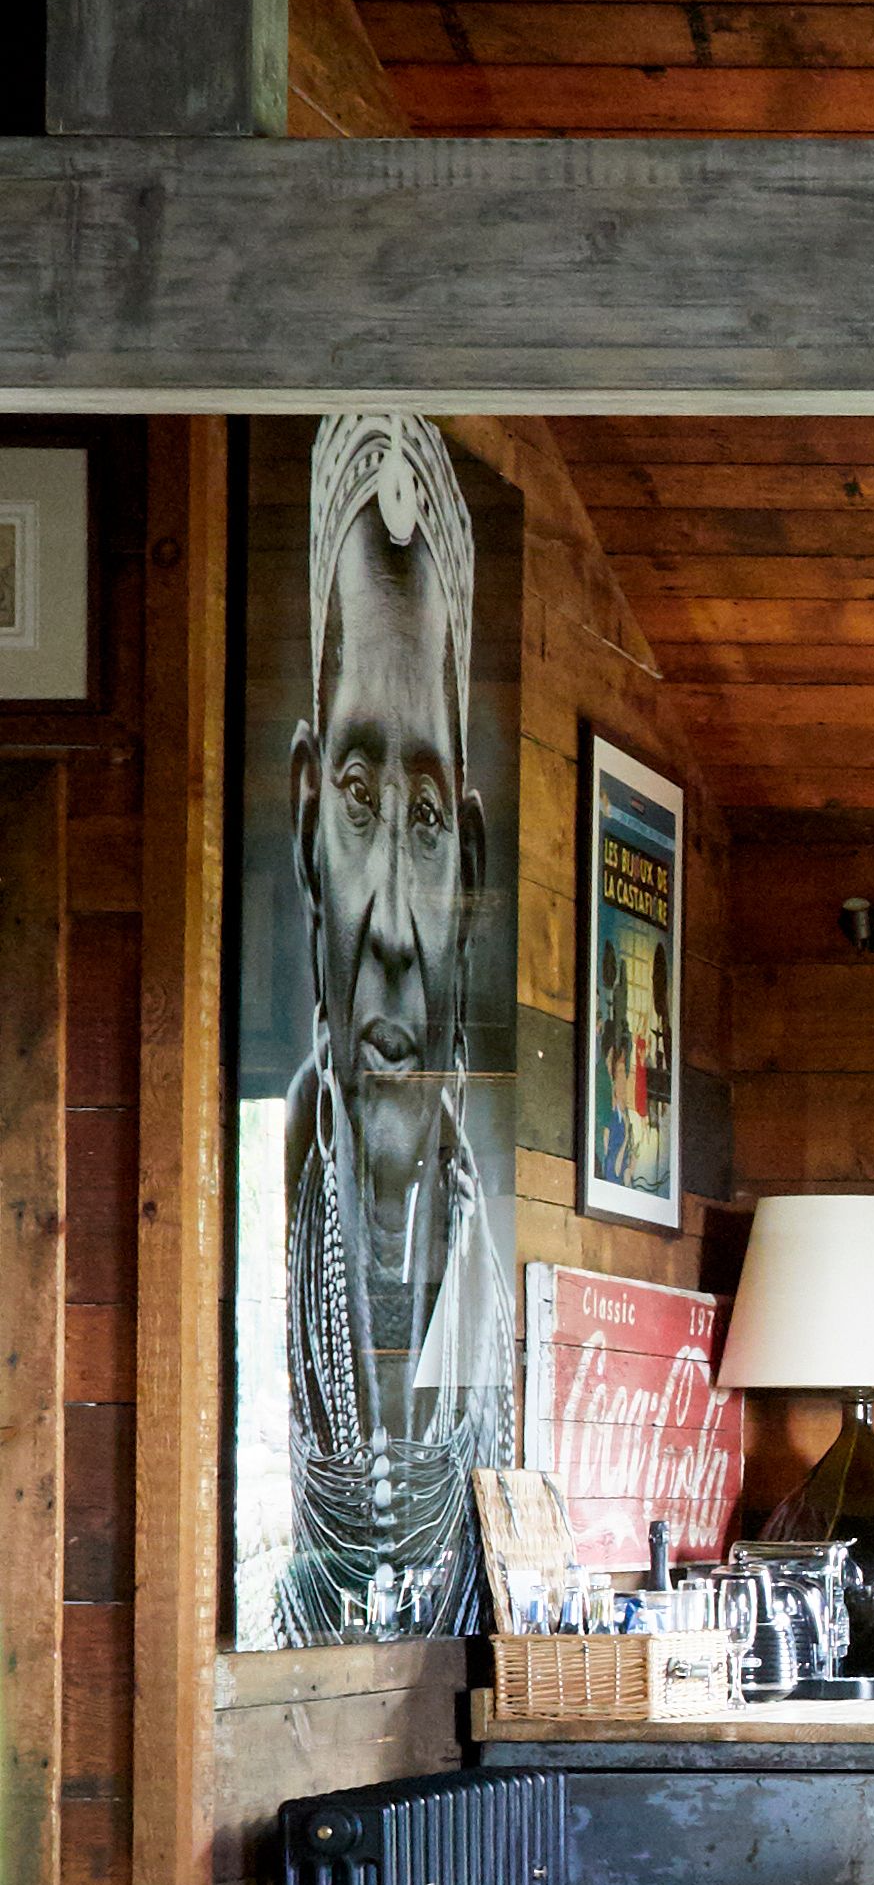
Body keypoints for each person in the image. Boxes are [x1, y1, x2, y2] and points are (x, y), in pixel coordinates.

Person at [278, 411, 506, 1642]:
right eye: (363, 804)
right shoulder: (282, 1196)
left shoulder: (474, 1247)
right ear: (307, 816)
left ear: (467, 860)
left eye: (425, 825)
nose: (397, 929)